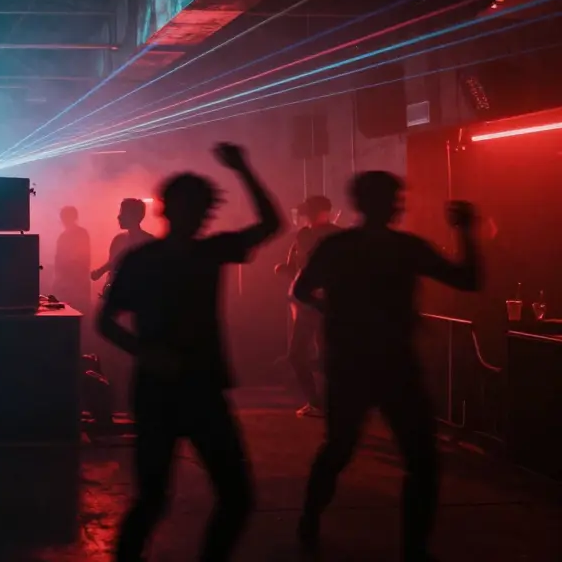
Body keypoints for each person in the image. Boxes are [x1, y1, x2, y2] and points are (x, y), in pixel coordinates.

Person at [98, 143, 283, 562]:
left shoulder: (196, 253)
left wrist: (244, 167)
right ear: (173, 209)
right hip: (169, 391)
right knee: (163, 500)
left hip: (193, 388)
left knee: (213, 497)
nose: (200, 214)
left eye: (202, 207)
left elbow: (272, 224)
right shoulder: (161, 258)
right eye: (194, 206)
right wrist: (147, 353)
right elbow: (105, 322)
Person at [293, 172, 481, 562]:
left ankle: (309, 520)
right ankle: (414, 549)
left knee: (339, 448)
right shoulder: (405, 247)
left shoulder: (339, 247)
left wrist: (333, 313)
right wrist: (465, 231)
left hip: (351, 363)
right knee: (419, 460)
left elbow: (300, 289)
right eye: (395, 198)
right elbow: (468, 279)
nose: (399, 205)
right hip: (395, 364)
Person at [273, 195, 338, 418]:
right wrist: (286, 269)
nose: (306, 215)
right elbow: (295, 265)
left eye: (310, 211)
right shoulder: (304, 234)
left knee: (324, 354)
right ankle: (317, 402)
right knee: (299, 355)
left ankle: (328, 403)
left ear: (323, 211)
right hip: (304, 304)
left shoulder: (336, 236)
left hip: (327, 304)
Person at [91, 198, 156, 292]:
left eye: (123, 213)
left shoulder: (148, 242)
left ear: (134, 216)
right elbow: (113, 267)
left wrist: (100, 272)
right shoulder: (119, 239)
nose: (119, 217)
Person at [54, 206, 92, 316]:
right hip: (69, 282)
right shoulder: (64, 236)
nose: (64, 220)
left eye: (65, 217)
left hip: (77, 281)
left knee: (78, 311)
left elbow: (83, 257)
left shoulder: (80, 234)